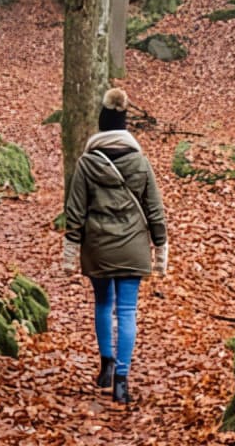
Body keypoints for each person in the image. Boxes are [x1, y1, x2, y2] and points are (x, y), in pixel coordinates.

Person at [61, 88, 168, 404]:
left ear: (102, 125)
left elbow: (75, 212)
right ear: (125, 127)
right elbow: (155, 211)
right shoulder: (140, 162)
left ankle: (105, 365)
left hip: (98, 248)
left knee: (103, 304)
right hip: (133, 248)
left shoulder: (86, 163)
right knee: (127, 311)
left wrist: (69, 253)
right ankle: (122, 381)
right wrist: (160, 250)